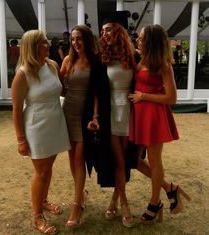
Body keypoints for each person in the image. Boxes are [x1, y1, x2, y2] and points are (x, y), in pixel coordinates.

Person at [128, 25, 191, 224]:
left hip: (153, 116)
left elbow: (172, 98)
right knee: (134, 161)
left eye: (141, 38)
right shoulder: (141, 59)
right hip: (139, 116)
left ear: (151, 41)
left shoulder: (163, 65)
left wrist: (143, 96)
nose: (137, 40)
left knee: (155, 162)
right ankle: (169, 187)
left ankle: (154, 204)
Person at [11, 29, 70, 234]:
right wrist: (21, 140)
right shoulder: (22, 73)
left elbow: (62, 89)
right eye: (44, 43)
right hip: (36, 126)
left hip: (55, 122)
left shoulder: (52, 65)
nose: (48, 45)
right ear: (34, 46)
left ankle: (43, 201)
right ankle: (37, 216)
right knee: (41, 171)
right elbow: (17, 110)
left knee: (49, 166)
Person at [91, 20, 136, 227]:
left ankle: (114, 200)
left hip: (130, 113)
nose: (104, 34)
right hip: (111, 114)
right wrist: (96, 116)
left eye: (108, 29)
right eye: (102, 31)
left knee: (125, 161)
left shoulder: (133, 57)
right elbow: (98, 94)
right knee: (118, 161)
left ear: (118, 31)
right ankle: (125, 205)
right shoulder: (102, 59)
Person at [60, 25, 97, 228]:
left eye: (79, 39)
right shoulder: (68, 60)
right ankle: (81, 193)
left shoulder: (95, 61)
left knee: (79, 158)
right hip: (68, 113)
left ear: (87, 40)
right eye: (73, 39)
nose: (75, 42)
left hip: (85, 116)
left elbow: (99, 91)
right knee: (72, 157)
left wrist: (95, 115)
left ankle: (77, 205)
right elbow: (60, 83)